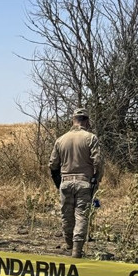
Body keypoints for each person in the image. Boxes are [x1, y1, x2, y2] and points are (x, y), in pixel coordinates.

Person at [49, 108, 103, 258]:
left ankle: (68, 244)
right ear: (86, 121)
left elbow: (52, 164)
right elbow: (98, 162)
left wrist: (58, 182)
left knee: (66, 215)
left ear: (73, 120)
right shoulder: (91, 138)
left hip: (65, 182)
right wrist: (97, 179)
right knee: (81, 216)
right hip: (84, 182)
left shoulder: (60, 139)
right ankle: (77, 251)